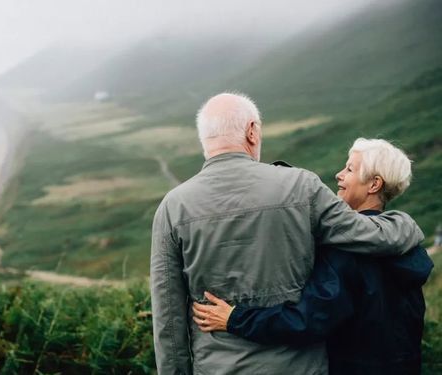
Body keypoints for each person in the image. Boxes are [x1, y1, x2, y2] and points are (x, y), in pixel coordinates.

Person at [150, 93, 424, 375]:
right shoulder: (302, 187)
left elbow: (167, 318)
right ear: (252, 131)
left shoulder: (172, 207)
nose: (341, 175)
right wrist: (406, 225)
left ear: (204, 139)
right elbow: (370, 235)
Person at [192, 138, 433, 374]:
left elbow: (308, 320)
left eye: (349, 169)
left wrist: (235, 319)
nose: (339, 175)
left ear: (374, 185)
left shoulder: (347, 251)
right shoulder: (407, 247)